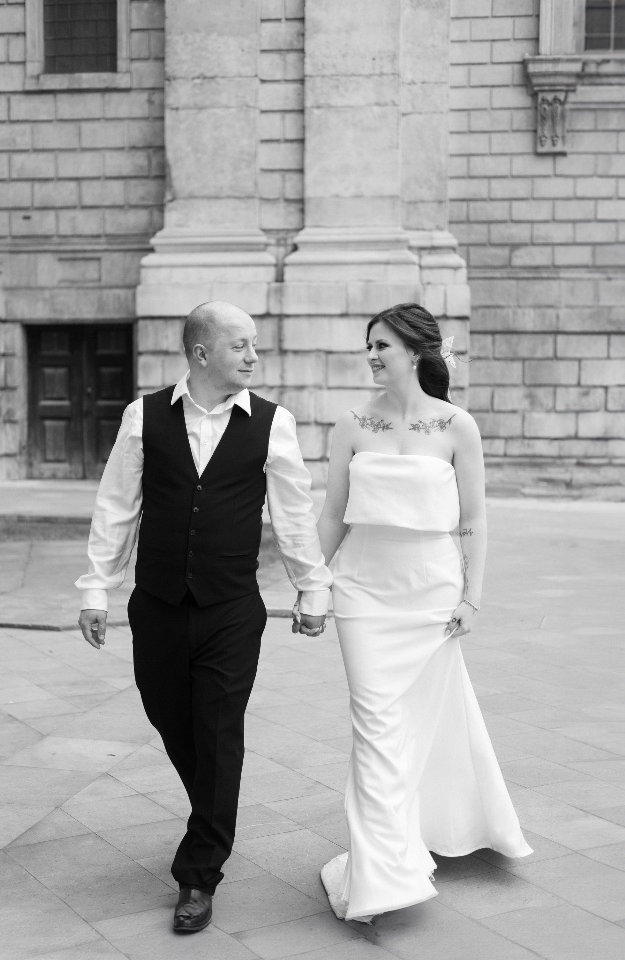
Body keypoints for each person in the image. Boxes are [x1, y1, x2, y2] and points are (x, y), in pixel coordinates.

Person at [77, 301, 331, 934]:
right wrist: (96, 589)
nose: (253, 356)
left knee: (218, 733)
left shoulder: (273, 424)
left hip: (230, 610)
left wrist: (312, 589)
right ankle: (214, 810)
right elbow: (116, 506)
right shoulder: (144, 416)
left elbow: (294, 515)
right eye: (240, 346)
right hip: (157, 605)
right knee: (170, 718)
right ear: (202, 354)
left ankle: (199, 871)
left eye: (253, 347)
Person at [313, 302, 532, 923]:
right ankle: (382, 872)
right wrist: (312, 584)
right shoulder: (351, 424)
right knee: (374, 725)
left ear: (415, 351)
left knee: (420, 722)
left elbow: (474, 519)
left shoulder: (457, 426)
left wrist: (472, 595)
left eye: (382, 345)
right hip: (361, 591)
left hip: (431, 593)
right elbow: (332, 513)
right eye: (369, 347)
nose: (373, 356)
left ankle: (429, 828)